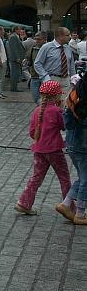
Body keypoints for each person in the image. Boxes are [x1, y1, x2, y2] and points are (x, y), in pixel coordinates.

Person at [15, 81, 71, 215]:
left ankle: (24, 202)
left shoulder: (36, 111)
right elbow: (65, 126)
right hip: (54, 150)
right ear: (56, 96)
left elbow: (31, 132)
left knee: (36, 177)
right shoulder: (56, 111)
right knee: (64, 178)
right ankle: (70, 207)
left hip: (39, 149)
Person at [57, 74, 87, 224]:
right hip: (83, 144)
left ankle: (66, 204)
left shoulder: (75, 94)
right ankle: (80, 214)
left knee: (83, 177)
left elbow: (67, 120)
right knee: (86, 179)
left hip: (72, 142)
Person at [35, 27, 76, 99]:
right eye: (67, 35)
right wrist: (46, 77)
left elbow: (71, 66)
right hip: (52, 79)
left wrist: (73, 80)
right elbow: (37, 63)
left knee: (64, 105)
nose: (70, 37)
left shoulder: (68, 48)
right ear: (60, 36)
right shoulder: (46, 47)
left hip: (66, 80)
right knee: (50, 104)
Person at [28, 32, 47, 103]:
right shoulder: (33, 48)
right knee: (36, 98)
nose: (37, 41)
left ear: (45, 39)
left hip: (44, 77)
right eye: (36, 39)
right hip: (34, 76)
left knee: (45, 99)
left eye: (39, 39)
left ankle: (42, 112)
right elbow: (30, 61)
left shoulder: (48, 48)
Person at [8, 26, 26, 92]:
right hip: (14, 59)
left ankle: (15, 87)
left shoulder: (16, 36)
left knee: (16, 73)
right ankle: (14, 88)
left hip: (16, 58)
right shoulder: (13, 37)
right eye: (19, 29)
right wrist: (17, 57)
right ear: (15, 30)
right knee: (14, 73)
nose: (20, 31)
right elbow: (14, 48)